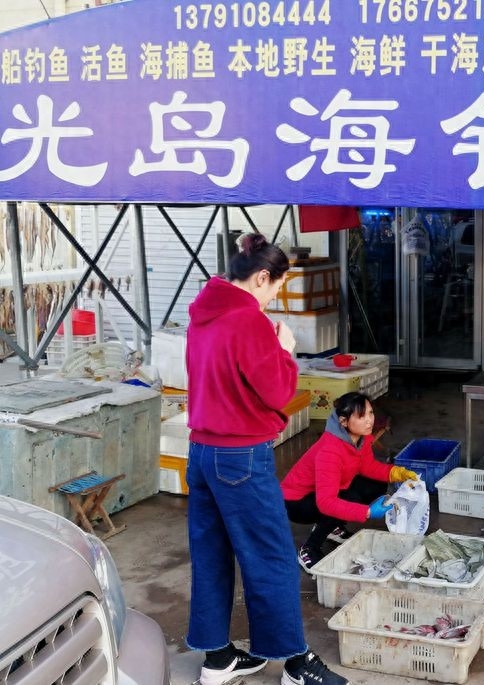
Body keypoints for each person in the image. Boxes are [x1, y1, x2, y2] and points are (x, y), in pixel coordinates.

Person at [185, 232, 348, 685]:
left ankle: (217, 658)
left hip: (200, 451)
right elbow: (277, 391)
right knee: (272, 556)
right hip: (240, 455)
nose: (276, 295)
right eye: (276, 286)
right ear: (261, 277)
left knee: (212, 553)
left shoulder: (204, 311)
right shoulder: (250, 322)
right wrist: (285, 351)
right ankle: (295, 662)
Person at [281, 391, 420, 571]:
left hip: (324, 491)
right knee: (349, 498)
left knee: (375, 484)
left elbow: (367, 466)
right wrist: (368, 512)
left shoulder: (361, 436)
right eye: (361, 416)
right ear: (343, 421)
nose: (369, 420)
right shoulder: (330, 451)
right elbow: (326, 503)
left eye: (370, 413)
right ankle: (309, 549)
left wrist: (395, 473)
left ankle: (332, 527)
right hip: (297, 502)